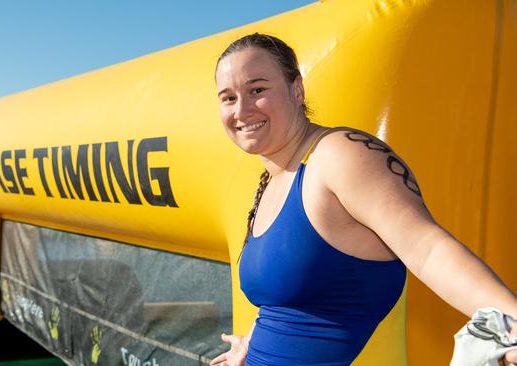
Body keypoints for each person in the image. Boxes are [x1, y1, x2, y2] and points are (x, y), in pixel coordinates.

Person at [209, 33, 517, 366]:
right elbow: (294, 299)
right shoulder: (273, 177)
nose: (241, 110)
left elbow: (427, 249)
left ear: (296, 90)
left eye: (257, 90)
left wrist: (513, 322)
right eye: (228, 98)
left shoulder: (339, 155)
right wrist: (254, 345)